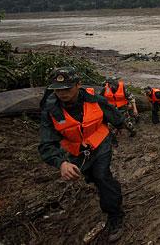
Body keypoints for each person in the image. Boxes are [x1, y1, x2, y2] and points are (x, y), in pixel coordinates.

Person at [38, 67, 125, 243]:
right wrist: (61, 163)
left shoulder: (97, 100)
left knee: (102, 176)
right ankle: (108, 188)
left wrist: (122, 124)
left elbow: (117, 118)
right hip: (77, 150)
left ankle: (115, 215)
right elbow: (46, 144)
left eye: (67, 89)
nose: (62, 94)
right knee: (92, 177)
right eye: (58, 89)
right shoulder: (49, 110)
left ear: (78, 85)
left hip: (100, 143)